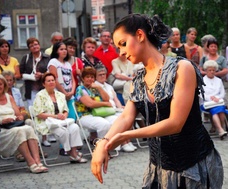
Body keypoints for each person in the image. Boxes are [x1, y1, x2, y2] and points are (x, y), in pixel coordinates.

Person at [91, 14, 223, 188]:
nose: (121, 52)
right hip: (159, 169)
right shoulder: (138, 80)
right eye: (117, 47)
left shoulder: (181, 68)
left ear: (140, 35)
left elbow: (175, 123)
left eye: (123, 43)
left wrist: (125, 136)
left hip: (194, 165)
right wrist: (104, 142)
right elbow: (125, 117)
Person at [0, 74, 48, 174]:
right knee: (21, 130)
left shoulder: (9, 97)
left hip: (13, 125)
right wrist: (1, 121)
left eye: (0, 84)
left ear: (4, 85)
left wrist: (19, 117)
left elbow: (18, 114)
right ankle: (31, 164)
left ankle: (38, 162)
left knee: (28, 128)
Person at [33, 72, 87, 163]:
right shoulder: (40, 96)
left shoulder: (60, 95)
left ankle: (73, 152)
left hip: (61, 121)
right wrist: (55, 116)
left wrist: (64, 115)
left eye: (53, 80)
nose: (51, 82)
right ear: (43, 83)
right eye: (48, 81)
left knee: (74, 127)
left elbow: (66, 110)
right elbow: (39, 114)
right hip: (47, 122)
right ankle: (71, 153)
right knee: (63, 132)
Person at [95, 64, 137, 152]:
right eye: (100, 75)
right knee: (121, 119)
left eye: (104, 74)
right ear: (96, 76)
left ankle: (127, 140)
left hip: (114, 109)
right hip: (105, 111)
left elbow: (116, 99)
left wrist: (121, 107)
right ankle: (123, 142)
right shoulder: (95, 86)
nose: (103, 76)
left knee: (129, 115)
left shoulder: (109, 86)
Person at [20, 37, 51, 147]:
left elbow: (51, 72)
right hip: (30, 90)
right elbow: (20, 73)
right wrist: (31, 77)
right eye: (32, 45)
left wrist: (42, 75)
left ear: (39, 45)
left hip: (43, 89)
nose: (35, 47)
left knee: (44, 112)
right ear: (29, 48)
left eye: (36, 44)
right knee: (32, 114)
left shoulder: (47, 57)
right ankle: (34, 138)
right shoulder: (26, 58)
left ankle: (44, 137)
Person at [75, 67, 115, 140]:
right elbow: (90, 104)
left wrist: (99, 88)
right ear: (83, 78)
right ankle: (102, 146)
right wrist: (105, 104)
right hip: (85, 115)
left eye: (92, 77)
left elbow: (107, 98)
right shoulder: (80, 89)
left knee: (116, 120)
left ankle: (115, 145)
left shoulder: (95, 88)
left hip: (99, 113)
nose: (90, 79)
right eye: (87, 77)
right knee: (103, 124)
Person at [47, 42, 76, 120]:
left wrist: (72, 92)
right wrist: (64, 93)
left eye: (65, 49)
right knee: (62, 117)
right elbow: (54, 79)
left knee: (73, 117)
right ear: (56, 51)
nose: (64, 51)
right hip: (59, 95)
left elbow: (73, 80)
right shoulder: (53, 62)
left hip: (70, 95)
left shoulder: (68, 64)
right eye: (61, 49)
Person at [200, 60, 227, 139]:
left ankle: (220, 129)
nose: (212, 72)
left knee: (220, 110)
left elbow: (223, 93)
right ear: (206, 71)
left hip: (218, 102)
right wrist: (210, 98)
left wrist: (217, 98)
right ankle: (220, 130)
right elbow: (201, 93)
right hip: (206, 103)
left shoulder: (219, 81)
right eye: (209, 70)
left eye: (213, 70)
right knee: (217, 110)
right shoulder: (202, 80)